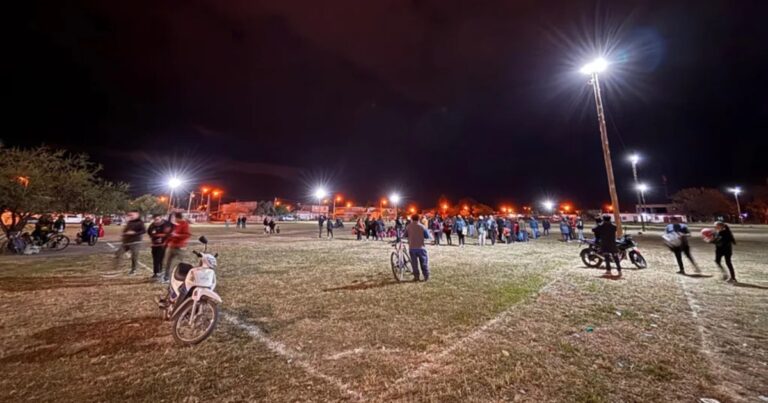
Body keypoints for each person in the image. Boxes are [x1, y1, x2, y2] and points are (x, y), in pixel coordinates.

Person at [114, 210, 146, 275]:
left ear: (137, 215)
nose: (131, 216)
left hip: (135, 242)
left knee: (134, 256)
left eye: (132, 215)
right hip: (126, 242)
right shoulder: (130, 222)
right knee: (118, 253)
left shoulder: (140, 222)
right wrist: (124, 234)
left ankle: (134, 269)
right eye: (130, 215)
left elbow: (143, 231)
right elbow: (126, 230)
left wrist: (134, 233)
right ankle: (117, 267)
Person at [163, 212, 190, 283]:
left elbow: (186, 235)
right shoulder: (174, 225)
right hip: (171, 246)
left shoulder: (184, 224)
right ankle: (166, 277)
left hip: (179, 248)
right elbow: (169, 235)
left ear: (178, 218)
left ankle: (175, 278)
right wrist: (166, 242)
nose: (172, 219)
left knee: (175, 264)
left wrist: (177, 235)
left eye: (174, 218)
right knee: (167, 263)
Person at [404, 214, 430, 282]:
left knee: (414, 264)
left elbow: (405, 235)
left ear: (412, 219)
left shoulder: (408, 226)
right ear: (419, 219)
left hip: (412, 247)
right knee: (424, 263)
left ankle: (416, 277)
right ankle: (426, 276)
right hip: (421, 247)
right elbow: (427, 236)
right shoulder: (422, 226)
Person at [147, 214, 173, 279]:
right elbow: (149, 232)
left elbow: (169, 234)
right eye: (154, 219)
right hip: (154, 245)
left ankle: (162, 272)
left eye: (157, 219)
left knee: (161, 259)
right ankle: (156, 273)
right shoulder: (152, 225)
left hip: (162, 245)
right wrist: (153, 238)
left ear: (161, 218)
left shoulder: (166, 225)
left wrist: (163, 238)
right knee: (155, 260)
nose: (156, 221)